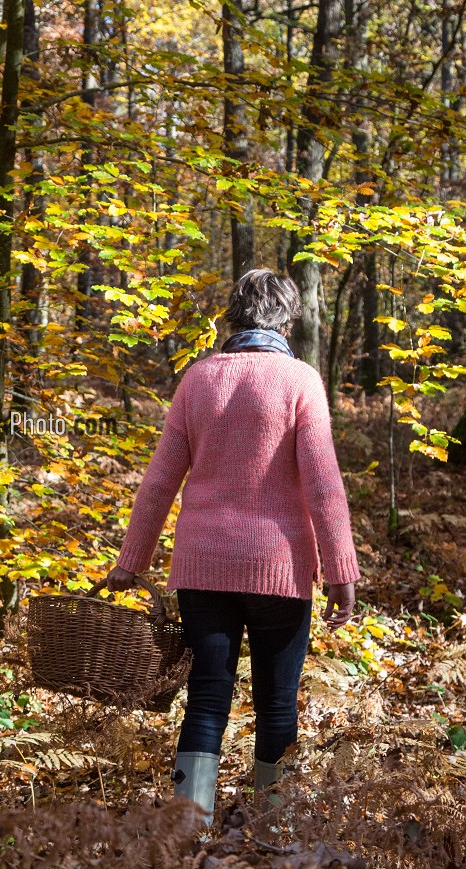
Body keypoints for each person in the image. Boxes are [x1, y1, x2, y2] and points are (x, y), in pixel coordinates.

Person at [102, 268, 361, 826]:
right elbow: (323, 482)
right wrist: (342, 570)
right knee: (276, 701)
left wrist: (132, 562)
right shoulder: (299, 380)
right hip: (280, 568)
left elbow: (159, 482)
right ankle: (274, 824)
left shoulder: (198, 380)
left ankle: (188, 825)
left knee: (206, 698)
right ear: (287, 318)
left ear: (233, 316)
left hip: (203, 568)